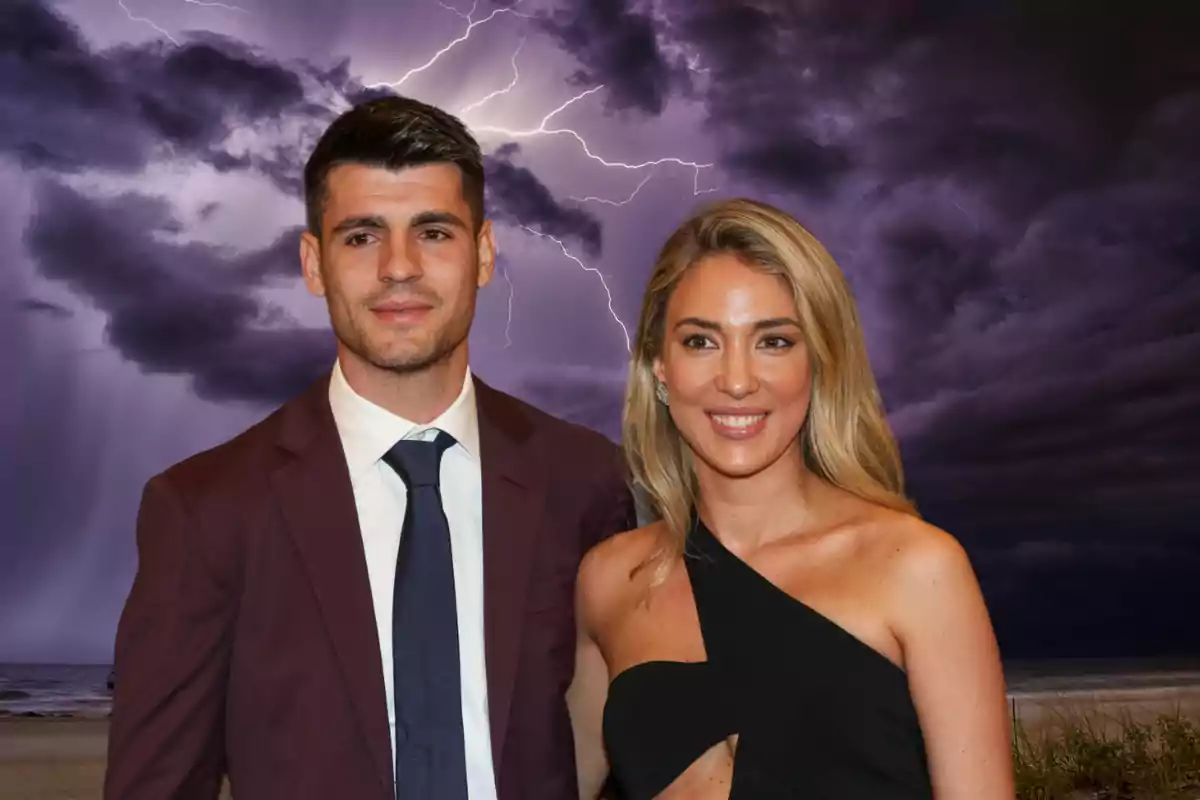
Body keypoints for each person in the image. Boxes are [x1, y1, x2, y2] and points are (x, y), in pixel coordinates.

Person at [104, 95, 637, 800]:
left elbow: (621, 744)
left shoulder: (583, 481)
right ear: (314, 263)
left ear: (482, 254)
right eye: (361, 236)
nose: (398, 267)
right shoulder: (207, 511)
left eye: (434, 232)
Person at [568, 198, 1015, 799]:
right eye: (701, 342)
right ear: (660, 370)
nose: (736, 380)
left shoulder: (916, 568)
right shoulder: (609, 580)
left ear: (820, 364)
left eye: (773, 341)